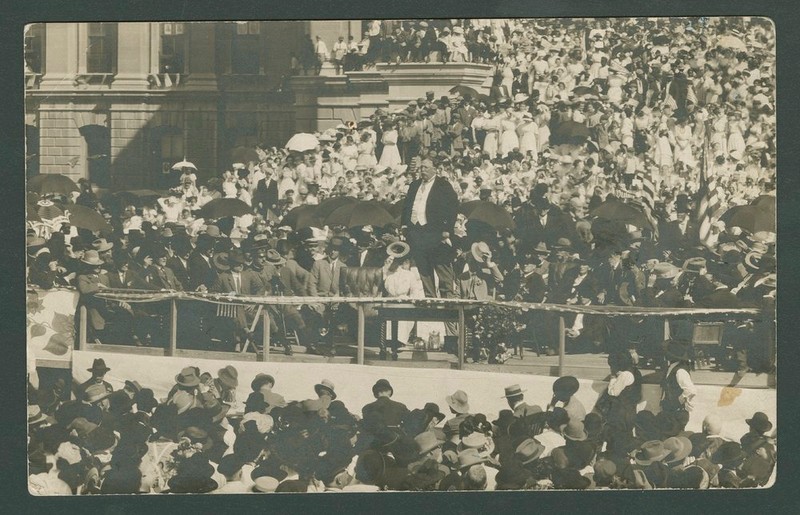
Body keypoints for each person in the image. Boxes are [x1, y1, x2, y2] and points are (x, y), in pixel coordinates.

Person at [401, 158, 459, 300]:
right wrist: (404, 225)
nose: (423, 171)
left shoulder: (443, 185)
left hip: (435, 232)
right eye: (421, 168)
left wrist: (447, 229)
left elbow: (452, 208)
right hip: (417, 232)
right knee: (424, 268)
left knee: (441, 265)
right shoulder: (414, 185)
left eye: (426, 168)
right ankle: (430, 298)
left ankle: (448, 299)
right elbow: (407, 206)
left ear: (435, 169)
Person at [660, 339, 696, 434]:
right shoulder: (672, 368)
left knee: (675, 440)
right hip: (671, 412)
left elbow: (691, 390)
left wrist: (677, 401)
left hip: (677, 414)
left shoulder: (680, 371)